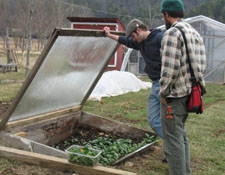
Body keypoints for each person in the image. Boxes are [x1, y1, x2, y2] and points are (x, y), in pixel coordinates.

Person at [159, 0, 206, 174]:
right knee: (180, 135)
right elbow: (201, 65)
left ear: (166, 14)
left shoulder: (173, 33)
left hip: (175, 95)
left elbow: (169, 69)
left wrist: (163, 92)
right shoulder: (194, 32)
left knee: (172, 140)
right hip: (191, 92)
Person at [103, 19, 164, 139]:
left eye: (133, 36)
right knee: (153, 121)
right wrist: (109, 35)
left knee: (170, 122)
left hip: (166, 84)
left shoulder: (160, 38)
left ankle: (175, 151)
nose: (133, 39)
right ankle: (173, 147)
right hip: (155, 85)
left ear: (139, 30)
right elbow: (125, 41)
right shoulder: (140, 42)